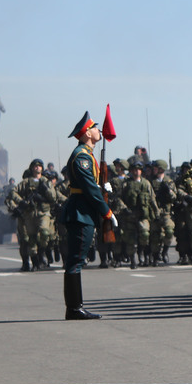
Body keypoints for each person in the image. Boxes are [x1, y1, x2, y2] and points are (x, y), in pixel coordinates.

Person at [62, 112, 117, 320]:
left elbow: (92, 186)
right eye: (94, 127)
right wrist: (107, 212)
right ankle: (74, 308)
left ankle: (76, 307)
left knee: (76, 261)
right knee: (75, 262)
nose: (98, 130)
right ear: (87, 133)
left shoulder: (86, 154)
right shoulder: (82, 157)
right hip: (81, 213)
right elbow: (89, 189)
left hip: (83, 211)